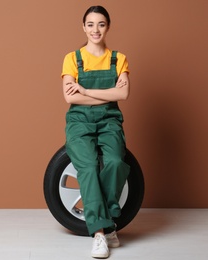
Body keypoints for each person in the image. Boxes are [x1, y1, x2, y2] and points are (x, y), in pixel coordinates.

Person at [61, 5, 131, 259]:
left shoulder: (118, 58)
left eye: (101, 24)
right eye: (90, 24)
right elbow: (69, 97)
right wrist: (106, 94)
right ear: (83, 27)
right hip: (79, 122)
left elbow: (122, 94)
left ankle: (108, 218)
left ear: (108, 26)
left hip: (110, 121)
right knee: (88, 167)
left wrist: (86, 91)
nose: (95, 29)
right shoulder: (72, 58)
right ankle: (101, 233)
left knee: (114, 162)